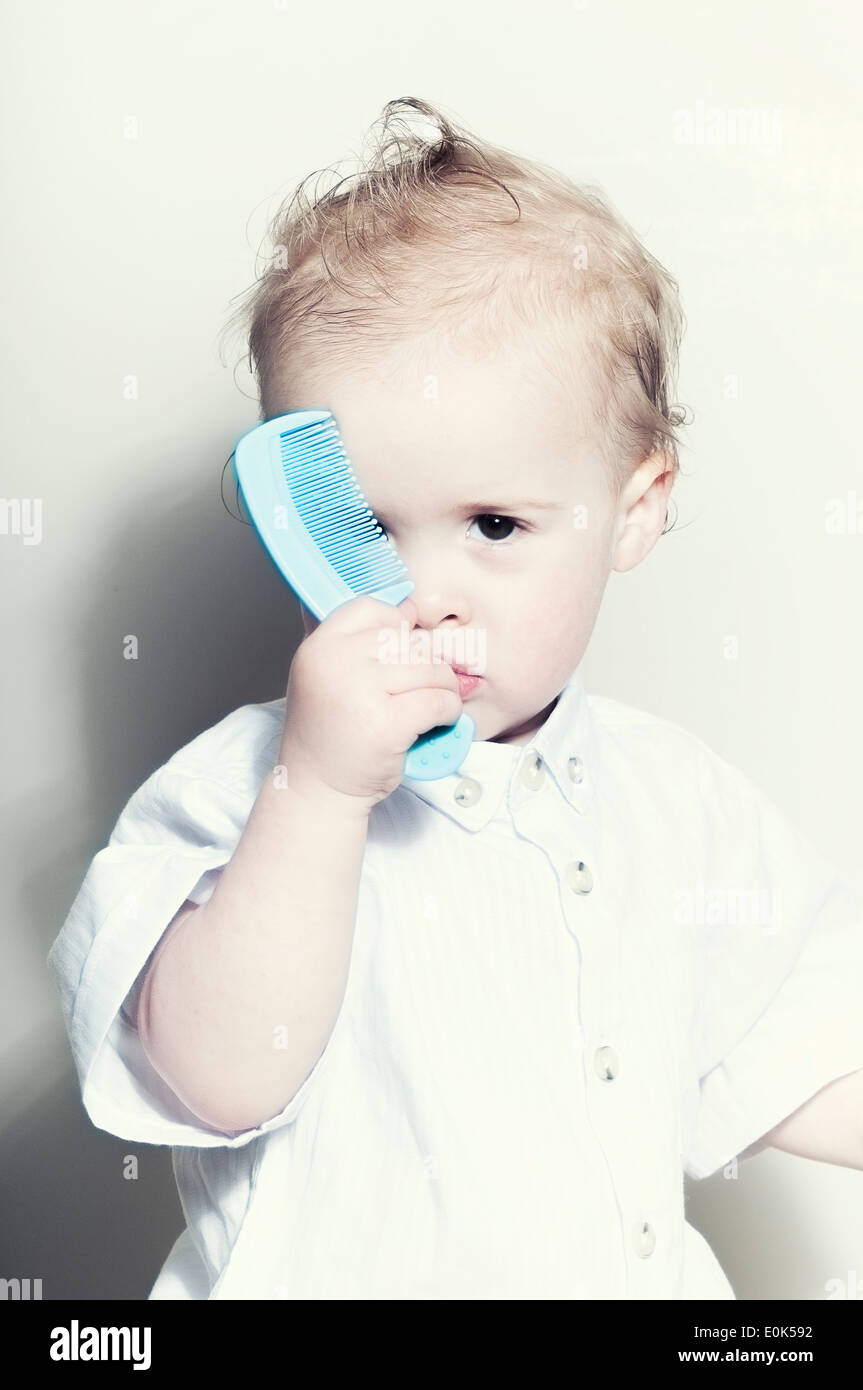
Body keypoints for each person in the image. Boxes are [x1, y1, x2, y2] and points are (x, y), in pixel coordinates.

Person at [47, 96, 863, 1300]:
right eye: (364, 525)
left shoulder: (678, 802)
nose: (423, 592)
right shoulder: (243, 789)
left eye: (493, 525)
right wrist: (319, 791)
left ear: (631, 510)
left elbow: (791, 1051)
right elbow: (215, 1075)